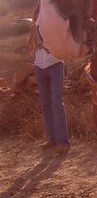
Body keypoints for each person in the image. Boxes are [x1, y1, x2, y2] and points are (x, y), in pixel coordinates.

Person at [32, 26, 70, 155]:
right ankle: (52, 139)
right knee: (46, 104)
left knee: (57, 102)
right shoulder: (35, 24)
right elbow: (31, 44)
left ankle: (63, 142)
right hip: (39, 65)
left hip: (55, 63)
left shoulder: (54, 21)